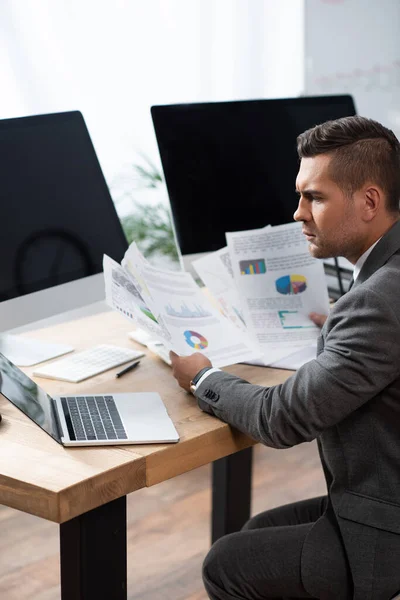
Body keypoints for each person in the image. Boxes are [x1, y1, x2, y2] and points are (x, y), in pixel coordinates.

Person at [169, 115, 400, 600]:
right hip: (383, 491)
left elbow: (280, 420)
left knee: (225, 565)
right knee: (253, 533)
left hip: (387, 532)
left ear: (370, 201)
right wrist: (339, 328)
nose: (298, 213)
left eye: (314, 197)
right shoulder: (382, 285)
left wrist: (203, 376)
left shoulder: (378, 301)